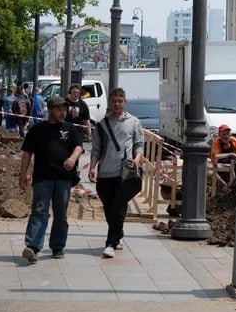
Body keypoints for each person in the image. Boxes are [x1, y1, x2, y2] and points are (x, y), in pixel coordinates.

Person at [18, 96, 84, 263]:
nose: (63, 113)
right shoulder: (37, 130)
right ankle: (33, 246)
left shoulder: (70, 128)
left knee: (61, 214)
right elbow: (27, 153)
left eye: (64, 109)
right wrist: (22, 174)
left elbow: (78, 146)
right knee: (39, 212)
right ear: (50, 110)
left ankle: (57, 246)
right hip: (42, 179)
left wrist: (72, 159)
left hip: (63, 179)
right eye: (59, 110)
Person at [89, 88, 144, 259]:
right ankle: (118, 234)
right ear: (110, 102)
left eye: (120, 101)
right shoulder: (102, 124)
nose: (117, 104)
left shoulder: (134, 122)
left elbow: (139, 144)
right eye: (114, 101)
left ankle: (111, 244)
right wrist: (92, 167)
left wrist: (137, 158)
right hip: (105, 173)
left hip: (125, 173)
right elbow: (96, 149)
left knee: (118, 208)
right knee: (109, 208)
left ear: (125, 102)